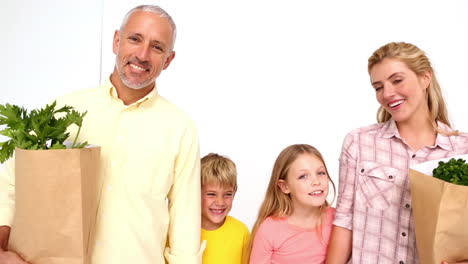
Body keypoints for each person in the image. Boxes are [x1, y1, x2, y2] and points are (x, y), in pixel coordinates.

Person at [0, 5, 204, 264]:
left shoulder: (181, 129)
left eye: (157, 47)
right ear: (117, 41)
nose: (142, 55)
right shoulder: (64, 111)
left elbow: (184, 228)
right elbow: (11, 183)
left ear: (169, 59)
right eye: (135, 39)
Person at [326, 42, 468, 264]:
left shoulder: (462, 149)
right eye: (378, 87)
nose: (387, 93)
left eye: (397, 80)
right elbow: (345, 221)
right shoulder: (359, 142)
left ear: (425, 78)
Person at [248, 144, 336, 264]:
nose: (316, 181)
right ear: (285, 186)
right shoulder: (270, 229)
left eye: (320, 173)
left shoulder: (338, 220)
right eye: (303, 176)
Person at [200, 153, 250, 264]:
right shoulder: (181, 231)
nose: (220, 202)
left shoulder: (241, 231)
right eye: (211, 194)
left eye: (227, 194)